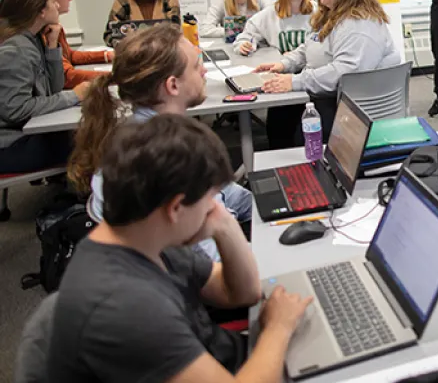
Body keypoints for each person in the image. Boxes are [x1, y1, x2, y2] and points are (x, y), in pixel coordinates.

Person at [47, 114, 313, 383]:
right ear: (175, 208)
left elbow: (243, 292)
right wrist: (278, 328)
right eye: (209, 199)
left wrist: (223, 225)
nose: (213, 207)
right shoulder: (124, 303)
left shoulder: (147, 240)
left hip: (222, 357)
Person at [67, 24, 252, 260]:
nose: (204, 71)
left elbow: (225, 194)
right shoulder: (167, 159)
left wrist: (275, 206)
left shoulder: (138, 134)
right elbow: (215, 265)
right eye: (197, 66)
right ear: (172, 85)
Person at [255, 0, 401, 149]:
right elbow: (310, 46)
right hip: (325, 91)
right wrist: (284, 64)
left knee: (296, 130)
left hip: (346, 104)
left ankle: (301, 167)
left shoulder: (358, 25)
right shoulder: (333, 14)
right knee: (279, 112)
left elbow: (343, 72)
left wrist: (295, 81)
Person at [0, 0, 88, 173]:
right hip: (10, 146)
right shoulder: (15, 49)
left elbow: (53, 89)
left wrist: (52, 46)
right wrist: (74, 96)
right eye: (51, 1)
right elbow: (16, 110)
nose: (57, 4)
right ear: (40, 11)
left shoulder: (32, 40)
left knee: (87, 135)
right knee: (91, 142)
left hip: (22, 135)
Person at [26, 0, 114, 88]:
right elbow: (66, 77)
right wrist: (114, 77)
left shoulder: (53, 27)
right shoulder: (36, 34)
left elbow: (69, 56)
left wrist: (107, 55)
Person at [233, 0, 313, 55]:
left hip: (311, 66)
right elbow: (247, 34)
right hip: (281, 65)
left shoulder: (316, 11)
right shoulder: (271, 13)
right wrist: (243, 44)